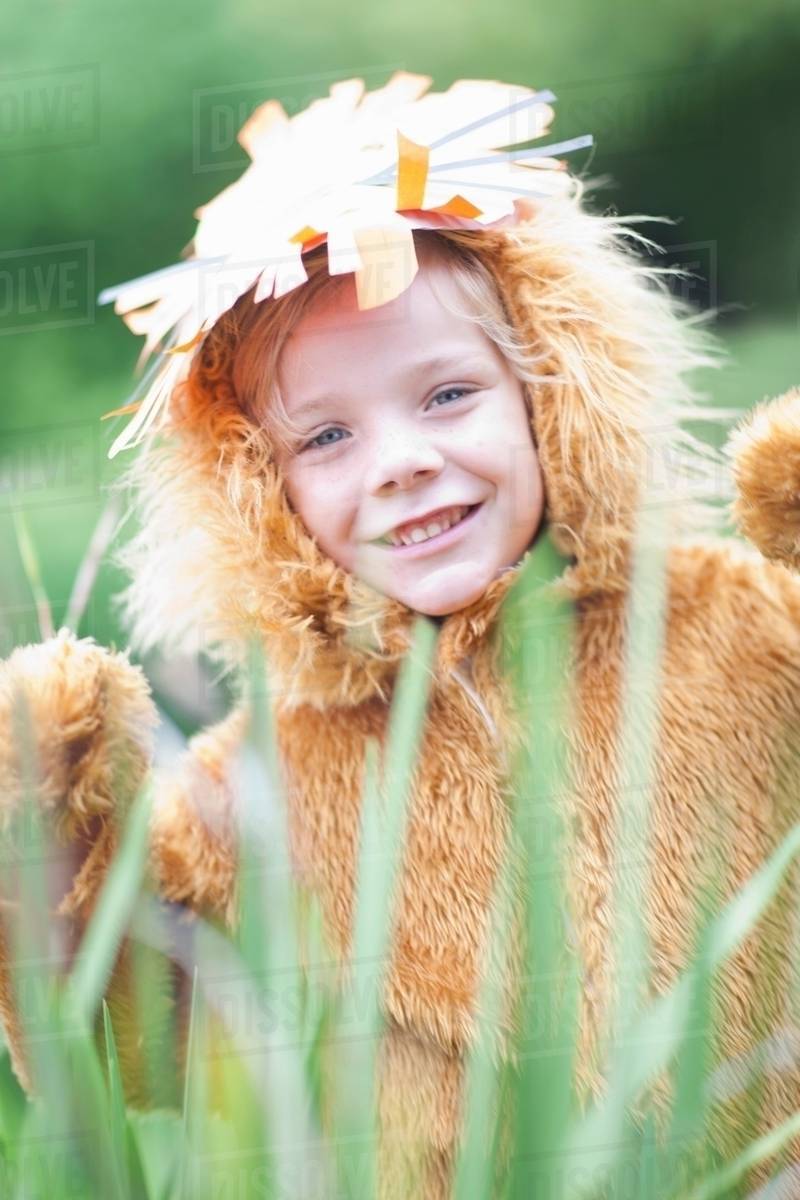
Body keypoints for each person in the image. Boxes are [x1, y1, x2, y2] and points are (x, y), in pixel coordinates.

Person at [2, 72, 800, 1198]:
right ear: (255, 489)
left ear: (546, 388)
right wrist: (55, 849)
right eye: (325, 435)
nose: (399, 460)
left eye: (445, 396)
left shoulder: (734, 620)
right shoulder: (254, 794)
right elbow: (133, 1046)